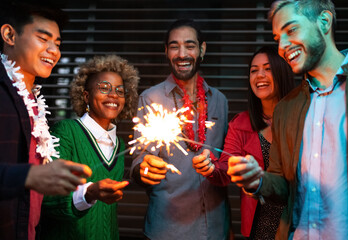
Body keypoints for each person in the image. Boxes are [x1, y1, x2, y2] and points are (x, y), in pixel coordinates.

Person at [227, 0, 348, 239]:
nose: (283, 46)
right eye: (278, 38)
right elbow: (281, 185)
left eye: (292, 30)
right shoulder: (286, 109)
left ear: (324, 22)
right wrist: (257, 180)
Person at [130, 19, 230, 240]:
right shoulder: (150, 98)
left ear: (202, 49)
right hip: (167, 229)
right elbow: (139, 159)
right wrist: (143, 168)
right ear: (166, 51)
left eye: (190, 45)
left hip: (216, 228)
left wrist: (228, 226)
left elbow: (224, 165)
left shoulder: (220, 101)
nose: (182, 54)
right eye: (174, 46)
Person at [0, 1, 92, 239]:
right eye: (43, 38)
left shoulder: (33, 101)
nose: (54, 51)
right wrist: (28, 176)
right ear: (9, 35)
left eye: (57, 43)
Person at [40, 55, 139, 240]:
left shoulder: (120, 146)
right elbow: (47, 197)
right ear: (86, 95)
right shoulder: (65, 132)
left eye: (120, 91)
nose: (113, 95)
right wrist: (89, 192)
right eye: (104, 88)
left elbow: (108, 215)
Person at [203, 46, 295, 239]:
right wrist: (209, 167)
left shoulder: (302, 117)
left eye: (268, 68)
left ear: (283, 72)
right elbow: (224, 171)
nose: (259, 75)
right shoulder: (241, 124)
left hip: (297, 224)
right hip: (258, 227)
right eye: (254, 70)